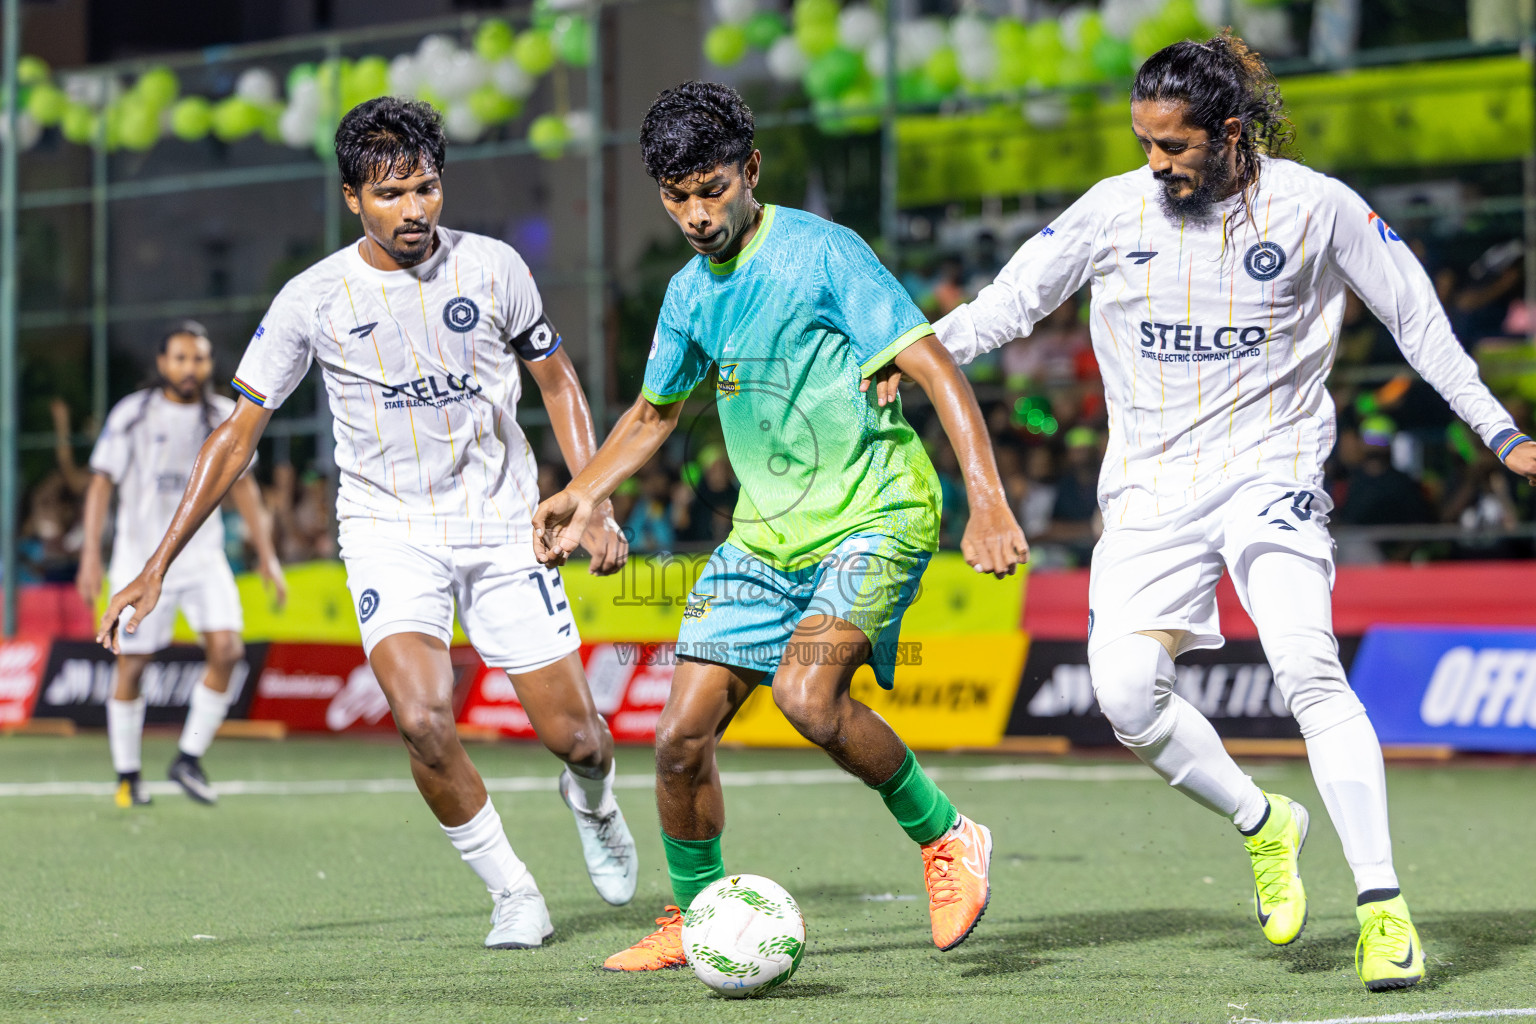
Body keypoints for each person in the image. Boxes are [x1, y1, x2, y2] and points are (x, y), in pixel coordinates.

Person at [880, 32, 1536, 992]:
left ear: (1230, 133)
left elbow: (1418, 324)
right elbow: (1005, 306)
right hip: (1149, 492)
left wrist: (1501, 434)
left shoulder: (1316, 207)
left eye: (1173, 147)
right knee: (1126, 696)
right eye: (1144, 142)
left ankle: (1382, 907)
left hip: (1272, 471)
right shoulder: (1113, 210)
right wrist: (914, 357)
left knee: (1308, 662)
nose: (1156, 163)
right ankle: (1264, 822)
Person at [97, 98, 639, 951]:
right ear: (353, 197)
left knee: (580, 740)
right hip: (388, 529)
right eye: (391, 195)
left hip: (503, 523)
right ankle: (514, 893)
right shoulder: (311, 298)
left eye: (427, 189)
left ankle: (595, 800)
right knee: (422, 720)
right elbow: (237, 432)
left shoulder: (495, 268)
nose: (415, 210)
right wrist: (159, 561)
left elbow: (560, 383)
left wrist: (593, 496)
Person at [531, 81, 1028, 972]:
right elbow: (652, 416)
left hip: (879, 511)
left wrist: (987, 500)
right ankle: (695, 917)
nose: (695, 212)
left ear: (750, 169)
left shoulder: (824, 253)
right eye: (676, 196)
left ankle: (950, 835)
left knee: (807, 696)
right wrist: (584, 493)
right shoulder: (687, 295)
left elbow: (937, 368)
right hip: (765, 540)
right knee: (678, 738)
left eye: (711, 187)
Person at [77, 321, 287, 808]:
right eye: (181, 358)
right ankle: (128, 774)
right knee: (132, 667)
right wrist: (92, 553)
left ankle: (187, 758)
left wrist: (268, 557)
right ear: (161, 362)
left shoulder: (224, 415)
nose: (190, 368)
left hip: (203, 559)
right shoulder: (132, 414)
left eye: (199, 358)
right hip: (137, 562)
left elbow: (246, 489)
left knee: (229, 652)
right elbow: (101, 484)